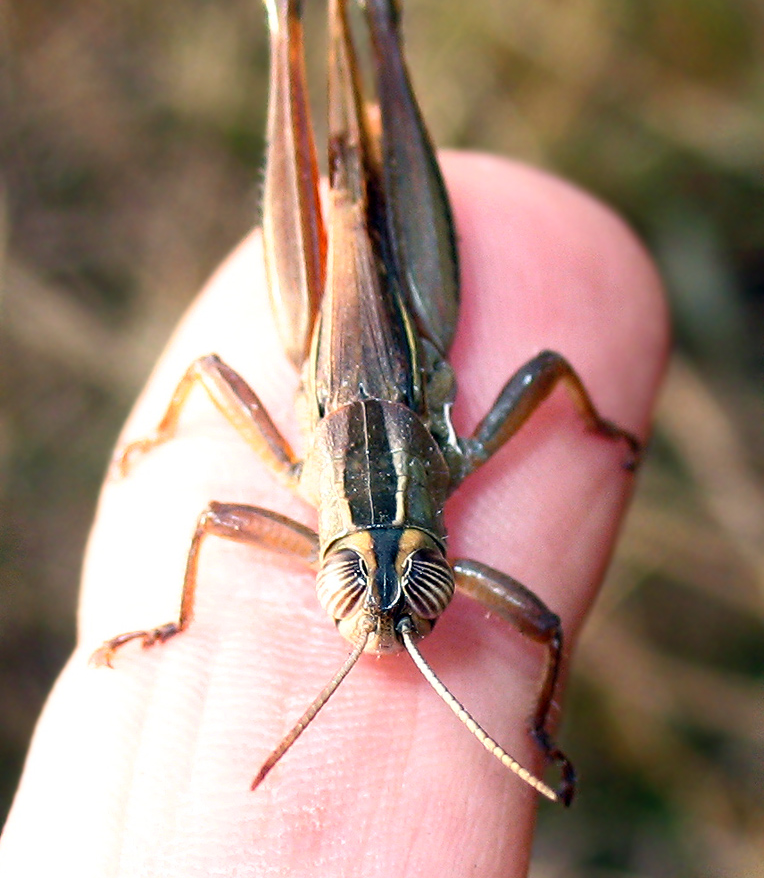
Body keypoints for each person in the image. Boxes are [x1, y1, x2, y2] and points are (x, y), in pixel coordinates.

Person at [0, 153, 668, 878]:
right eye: (398, 579)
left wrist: (536, 731)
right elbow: (543, 372)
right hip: (373, 295)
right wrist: (174, 618)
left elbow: (546, 622)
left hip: (376, 309)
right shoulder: (430, 484)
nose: (384, 602)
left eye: (369, 578)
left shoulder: (393, 484)